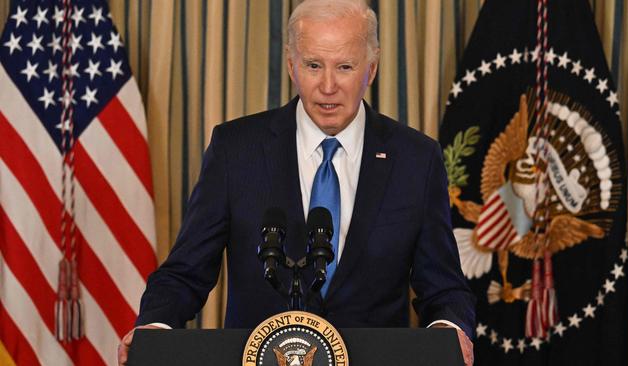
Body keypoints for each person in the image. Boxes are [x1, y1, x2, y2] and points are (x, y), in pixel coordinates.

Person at [118, 0, 475, 364]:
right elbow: (186, 272)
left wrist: (449, 330)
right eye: (313, 65)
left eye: (345, 67)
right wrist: (154, 328)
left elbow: (443, 285)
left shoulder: (415, 158)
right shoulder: (236, 149)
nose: (328, 86)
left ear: (372, 67)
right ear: (291, 65)